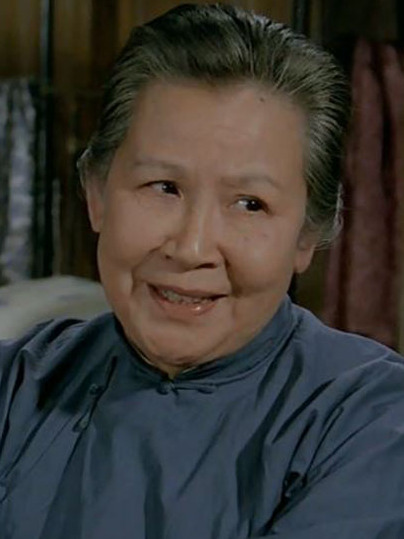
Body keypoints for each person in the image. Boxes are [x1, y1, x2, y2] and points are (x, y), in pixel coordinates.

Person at [1, 4, 404, 538]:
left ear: (308, 235)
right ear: (96, 194)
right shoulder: (16, 390)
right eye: (164, 188)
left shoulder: (370, 424)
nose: (191, 248)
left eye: (250, 204)